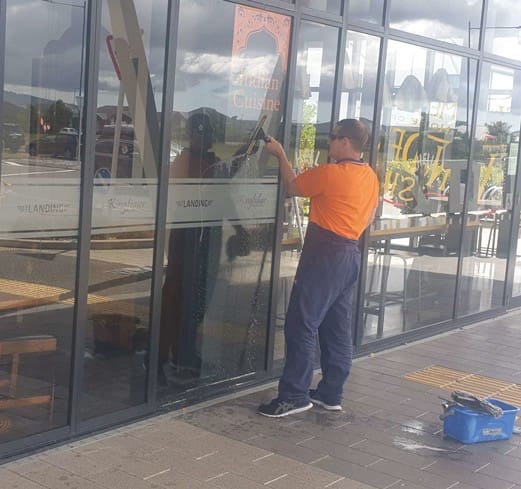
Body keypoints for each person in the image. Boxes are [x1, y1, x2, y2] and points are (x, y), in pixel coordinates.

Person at [258, 118, 379, 417]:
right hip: (350, 252)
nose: (330, 143)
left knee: (301, 322)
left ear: (346, 142)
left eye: (334, 137)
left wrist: (280, 155)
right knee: (336, 326)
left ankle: (294, 395)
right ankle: (331, 392)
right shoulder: (370, 177)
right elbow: (371, 216)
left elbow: (294, 186)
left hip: (324, 254)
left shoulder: (332, 173)